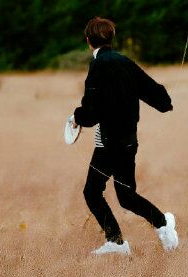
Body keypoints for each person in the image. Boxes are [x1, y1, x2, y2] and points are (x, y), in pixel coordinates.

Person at [71, 16, 178, 255]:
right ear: (110, 38)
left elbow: (91, 111)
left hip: (109, 142)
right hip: (128, 141)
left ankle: (116, 242)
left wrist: (77, 117)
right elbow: (155, 93)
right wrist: (165, 103)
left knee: (92, 192)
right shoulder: (124, 61)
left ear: (88, 41)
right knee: (126, 196)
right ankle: (163, 224)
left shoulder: (98, 66)